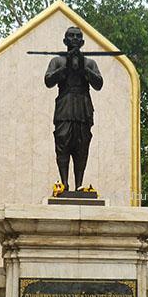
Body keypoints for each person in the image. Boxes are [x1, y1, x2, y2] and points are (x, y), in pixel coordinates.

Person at [44, 26, 103, 192]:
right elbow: (48, 81)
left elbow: (99, 84)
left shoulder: (90, 62)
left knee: (81, 146)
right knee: (62, 143)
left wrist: (83, 68)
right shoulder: (57, 61)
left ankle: (79, 185)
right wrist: (66, 66)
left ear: (82, 42)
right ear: (65, 41)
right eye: (71, 36)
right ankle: (64, 183)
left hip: (83, 108)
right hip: (65, 106)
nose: (75, 39)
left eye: (78, 36)